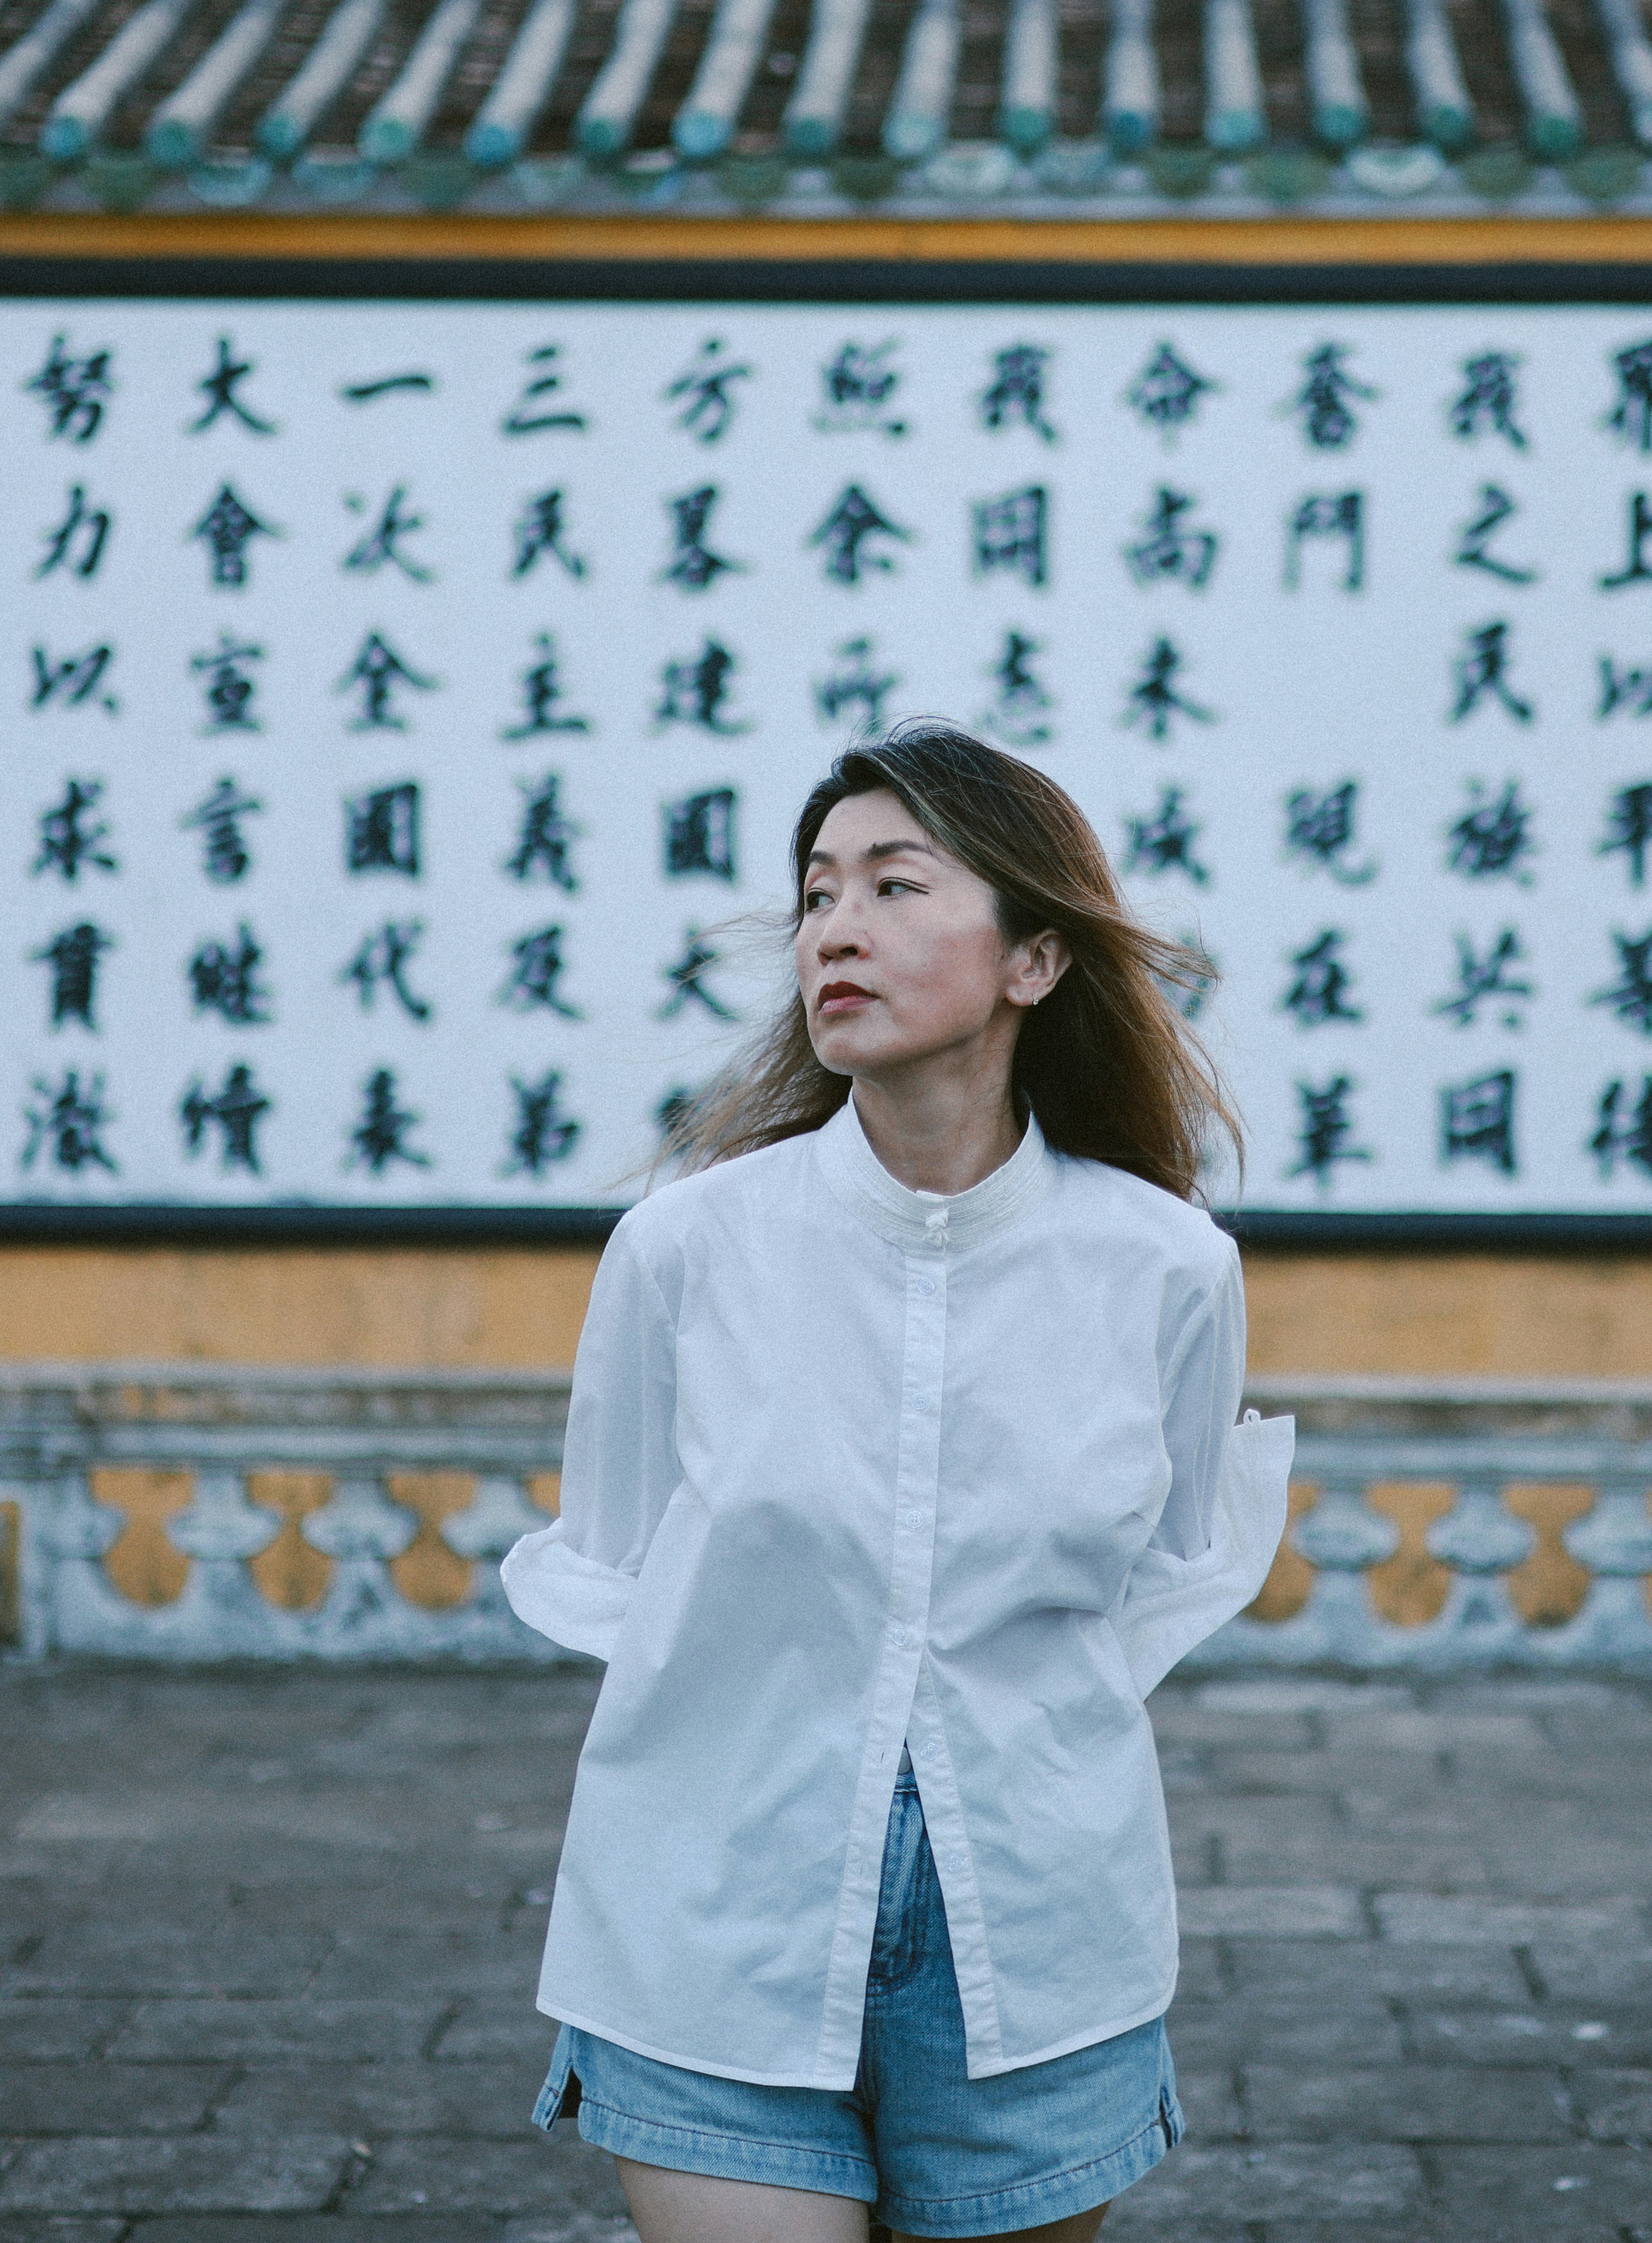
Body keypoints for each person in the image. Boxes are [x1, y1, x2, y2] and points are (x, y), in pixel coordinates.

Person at [501, 723, 1294, 2243]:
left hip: (1040, 1943)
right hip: (712, 1914)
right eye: (815, 896)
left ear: (1035, 961)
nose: (836, 930)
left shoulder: (1169, 1270)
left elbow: (1162, 1578)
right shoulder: (685, 1250)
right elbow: (612, 1569)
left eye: (894, 886)